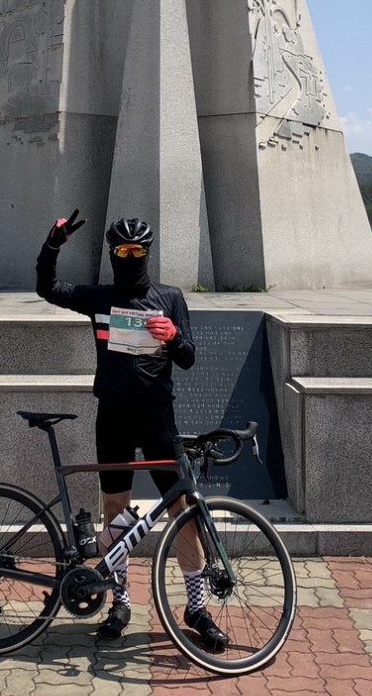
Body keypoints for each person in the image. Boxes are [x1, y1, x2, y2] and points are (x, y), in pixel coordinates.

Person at [36, 210, 229, 651]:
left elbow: (188, 358)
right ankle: (119, 601)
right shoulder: (99, 298)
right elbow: (48, 288)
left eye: (136, 250)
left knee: (182, 511)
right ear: (111, 253)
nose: (129, 256)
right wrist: (53, 245)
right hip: (114, 416)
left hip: (158, 416)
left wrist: (173, 336)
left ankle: (196, 607)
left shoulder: (170, 297)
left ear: (147, 252)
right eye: (121, 250)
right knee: (116, 512)